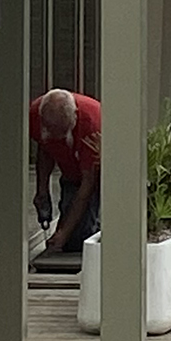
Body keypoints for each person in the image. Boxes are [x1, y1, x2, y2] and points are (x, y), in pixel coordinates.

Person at [30, 88, 102, 253]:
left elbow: (87, 184)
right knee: (70, 232)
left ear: (74, 117)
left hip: (95, 175)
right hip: (69, 171)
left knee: (83, 234)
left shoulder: (91, 124)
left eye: (64, 133)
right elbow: (45, 150)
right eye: (53, 132)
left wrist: (63, 233)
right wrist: (42, 190)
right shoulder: (34, 115)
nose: (58, 137)